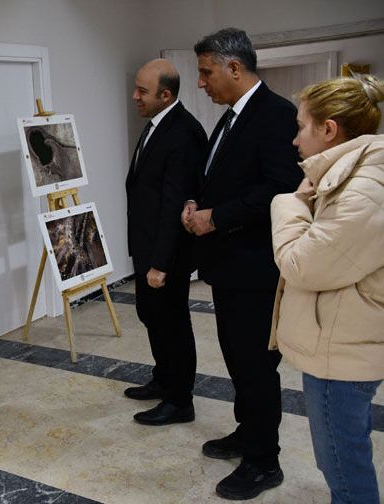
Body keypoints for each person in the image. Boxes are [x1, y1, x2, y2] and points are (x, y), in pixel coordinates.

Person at [181, 28, 303, 500]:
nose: (202, 83)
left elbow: (281, 188)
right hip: (229, 264)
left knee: (255, 365)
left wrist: (220, 217)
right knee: (236, 358)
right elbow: (225, 180)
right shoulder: (231, 117)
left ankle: (263, 460)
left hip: (255, 269)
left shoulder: (274, 115)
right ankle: (245, 433)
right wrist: (199, 202)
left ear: (235, 68)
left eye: (207, 72)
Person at [270, 74, 384, 504]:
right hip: (340, 340)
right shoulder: (354, 178)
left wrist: (288, 203)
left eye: (302, 127)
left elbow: (302, 265)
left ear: (329, 129)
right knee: (340, 456)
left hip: (344, 352)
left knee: (343, 462)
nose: (297, 140)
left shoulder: (365, 191)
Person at [124, 59, 206, 426]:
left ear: (166, 95)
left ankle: (179, 400)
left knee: (172, 324)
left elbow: (175, 202)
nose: (134, 96)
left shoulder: (183, 133)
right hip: (147, 248)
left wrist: (160, 263)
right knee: (151, 316)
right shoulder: (157, 125)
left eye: (142, 91)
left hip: (165, 254)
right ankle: (163, 379)